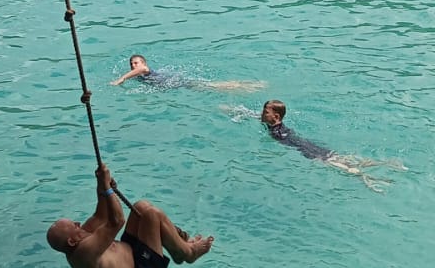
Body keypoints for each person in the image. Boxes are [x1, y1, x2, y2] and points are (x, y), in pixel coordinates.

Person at [46, 162, 213, 268]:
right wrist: (108, 189)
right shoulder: (83, 253)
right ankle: (188, 252)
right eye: (74, 226)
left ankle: (177, 250)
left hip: (132, 253)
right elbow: (117, 221)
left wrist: (101, 184)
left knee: (141, 207)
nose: (78, 223)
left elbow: (102, 215)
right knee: (152, 215)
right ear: (71, 241)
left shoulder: (81, 236)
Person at [260, 101, 404, 191]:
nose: (262, 114)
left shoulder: (276, 130)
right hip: (311, 146)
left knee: (342, 167)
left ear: (276, 116)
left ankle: (367, 179)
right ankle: (387, 163)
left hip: (309, 152)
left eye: (265, 112)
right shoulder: (279, 126)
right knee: (342, 160)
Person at [111, 54, 262, 91]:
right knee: (208, 86)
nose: (133, 66)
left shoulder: (144, 70)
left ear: (144, 63)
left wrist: (121, 79)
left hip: (176, 82)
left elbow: (142, 70)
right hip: (173, 83)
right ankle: (248, 85)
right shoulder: (137, 74)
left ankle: (247, 86)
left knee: (210, 87)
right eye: (131, 64)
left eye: (136, 63)